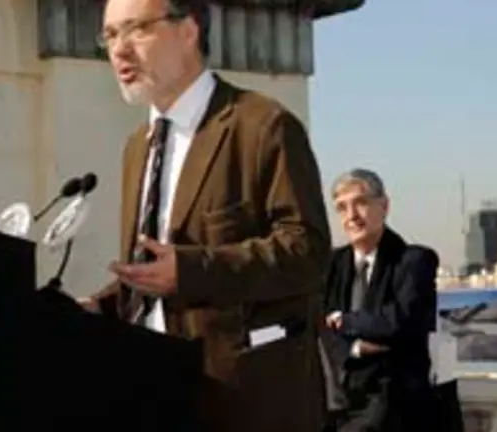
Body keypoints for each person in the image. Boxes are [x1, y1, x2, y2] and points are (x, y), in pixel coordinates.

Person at [83, 0, 332, 430]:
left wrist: (192, 270)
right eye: (110, 35)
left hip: (242, 402)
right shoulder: (136, 147)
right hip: (152, 392)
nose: (119, 50)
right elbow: (155, 268)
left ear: (189, 30)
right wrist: (101, 304)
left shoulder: (262, 126)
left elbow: (306, 252)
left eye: (136, 29)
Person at [319, 168, 439, 431]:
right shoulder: (330, 265)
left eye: (360, 203)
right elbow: (317, 325)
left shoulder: (415, 261)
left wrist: (344, 320)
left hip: (394, 406)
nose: (351, 216)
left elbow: (399, 322)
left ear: (384, 206)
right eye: (341, 208)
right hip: (337, 403)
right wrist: (355, 348)